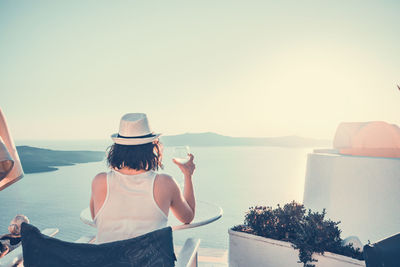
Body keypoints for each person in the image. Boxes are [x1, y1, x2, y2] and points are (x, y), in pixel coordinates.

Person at [90, 113, 196, 244]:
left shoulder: (99, 181)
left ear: (117, 149)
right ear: (152, 148)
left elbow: (98, 219)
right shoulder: (165, 183)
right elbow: (187, 217)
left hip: (106, 262)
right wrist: (188, 175)